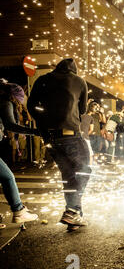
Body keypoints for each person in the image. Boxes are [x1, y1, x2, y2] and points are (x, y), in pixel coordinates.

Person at [27, 58, 91, 229]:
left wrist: (44, 123)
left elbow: (31, 105)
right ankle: (72, 211)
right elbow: (83, 110)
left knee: (69, 175)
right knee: (84, 170)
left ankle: (75, 216)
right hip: (70, 134)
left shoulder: (42, 80)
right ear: (73, 70)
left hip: (50, 138)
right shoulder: (79, 81)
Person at [0, 80, 39, 227]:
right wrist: (35, 132)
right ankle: (19, 211)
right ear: (15, 96)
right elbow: (11, 125)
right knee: (8, 177)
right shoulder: (5, 103)